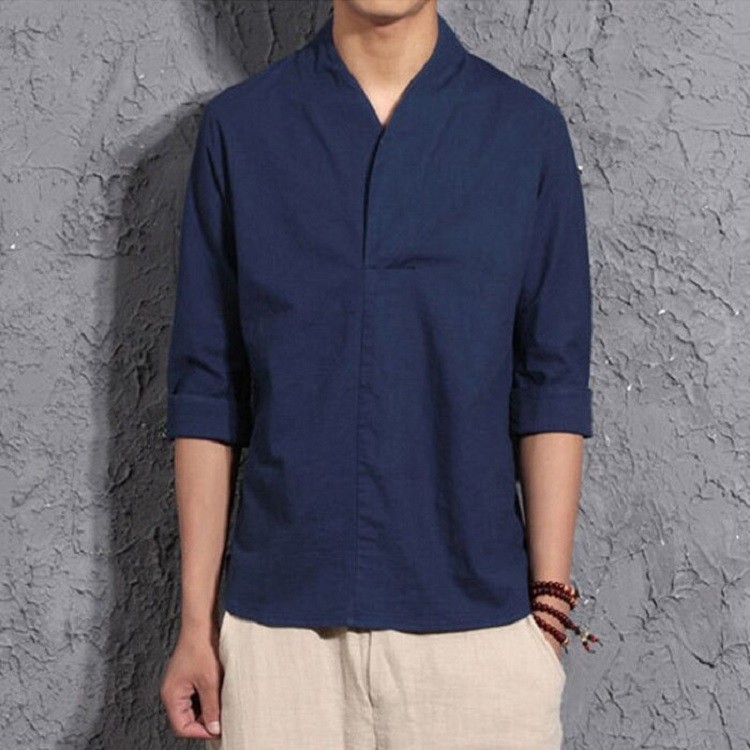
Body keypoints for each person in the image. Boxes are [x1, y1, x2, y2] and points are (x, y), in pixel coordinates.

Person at [159, 1, 598, 748]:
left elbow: (551, 383)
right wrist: (196, 627)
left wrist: (548, 614)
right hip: (280, 642)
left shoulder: (525, 134)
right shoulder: (243, 131)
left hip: (480, 633)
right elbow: (207, 391)